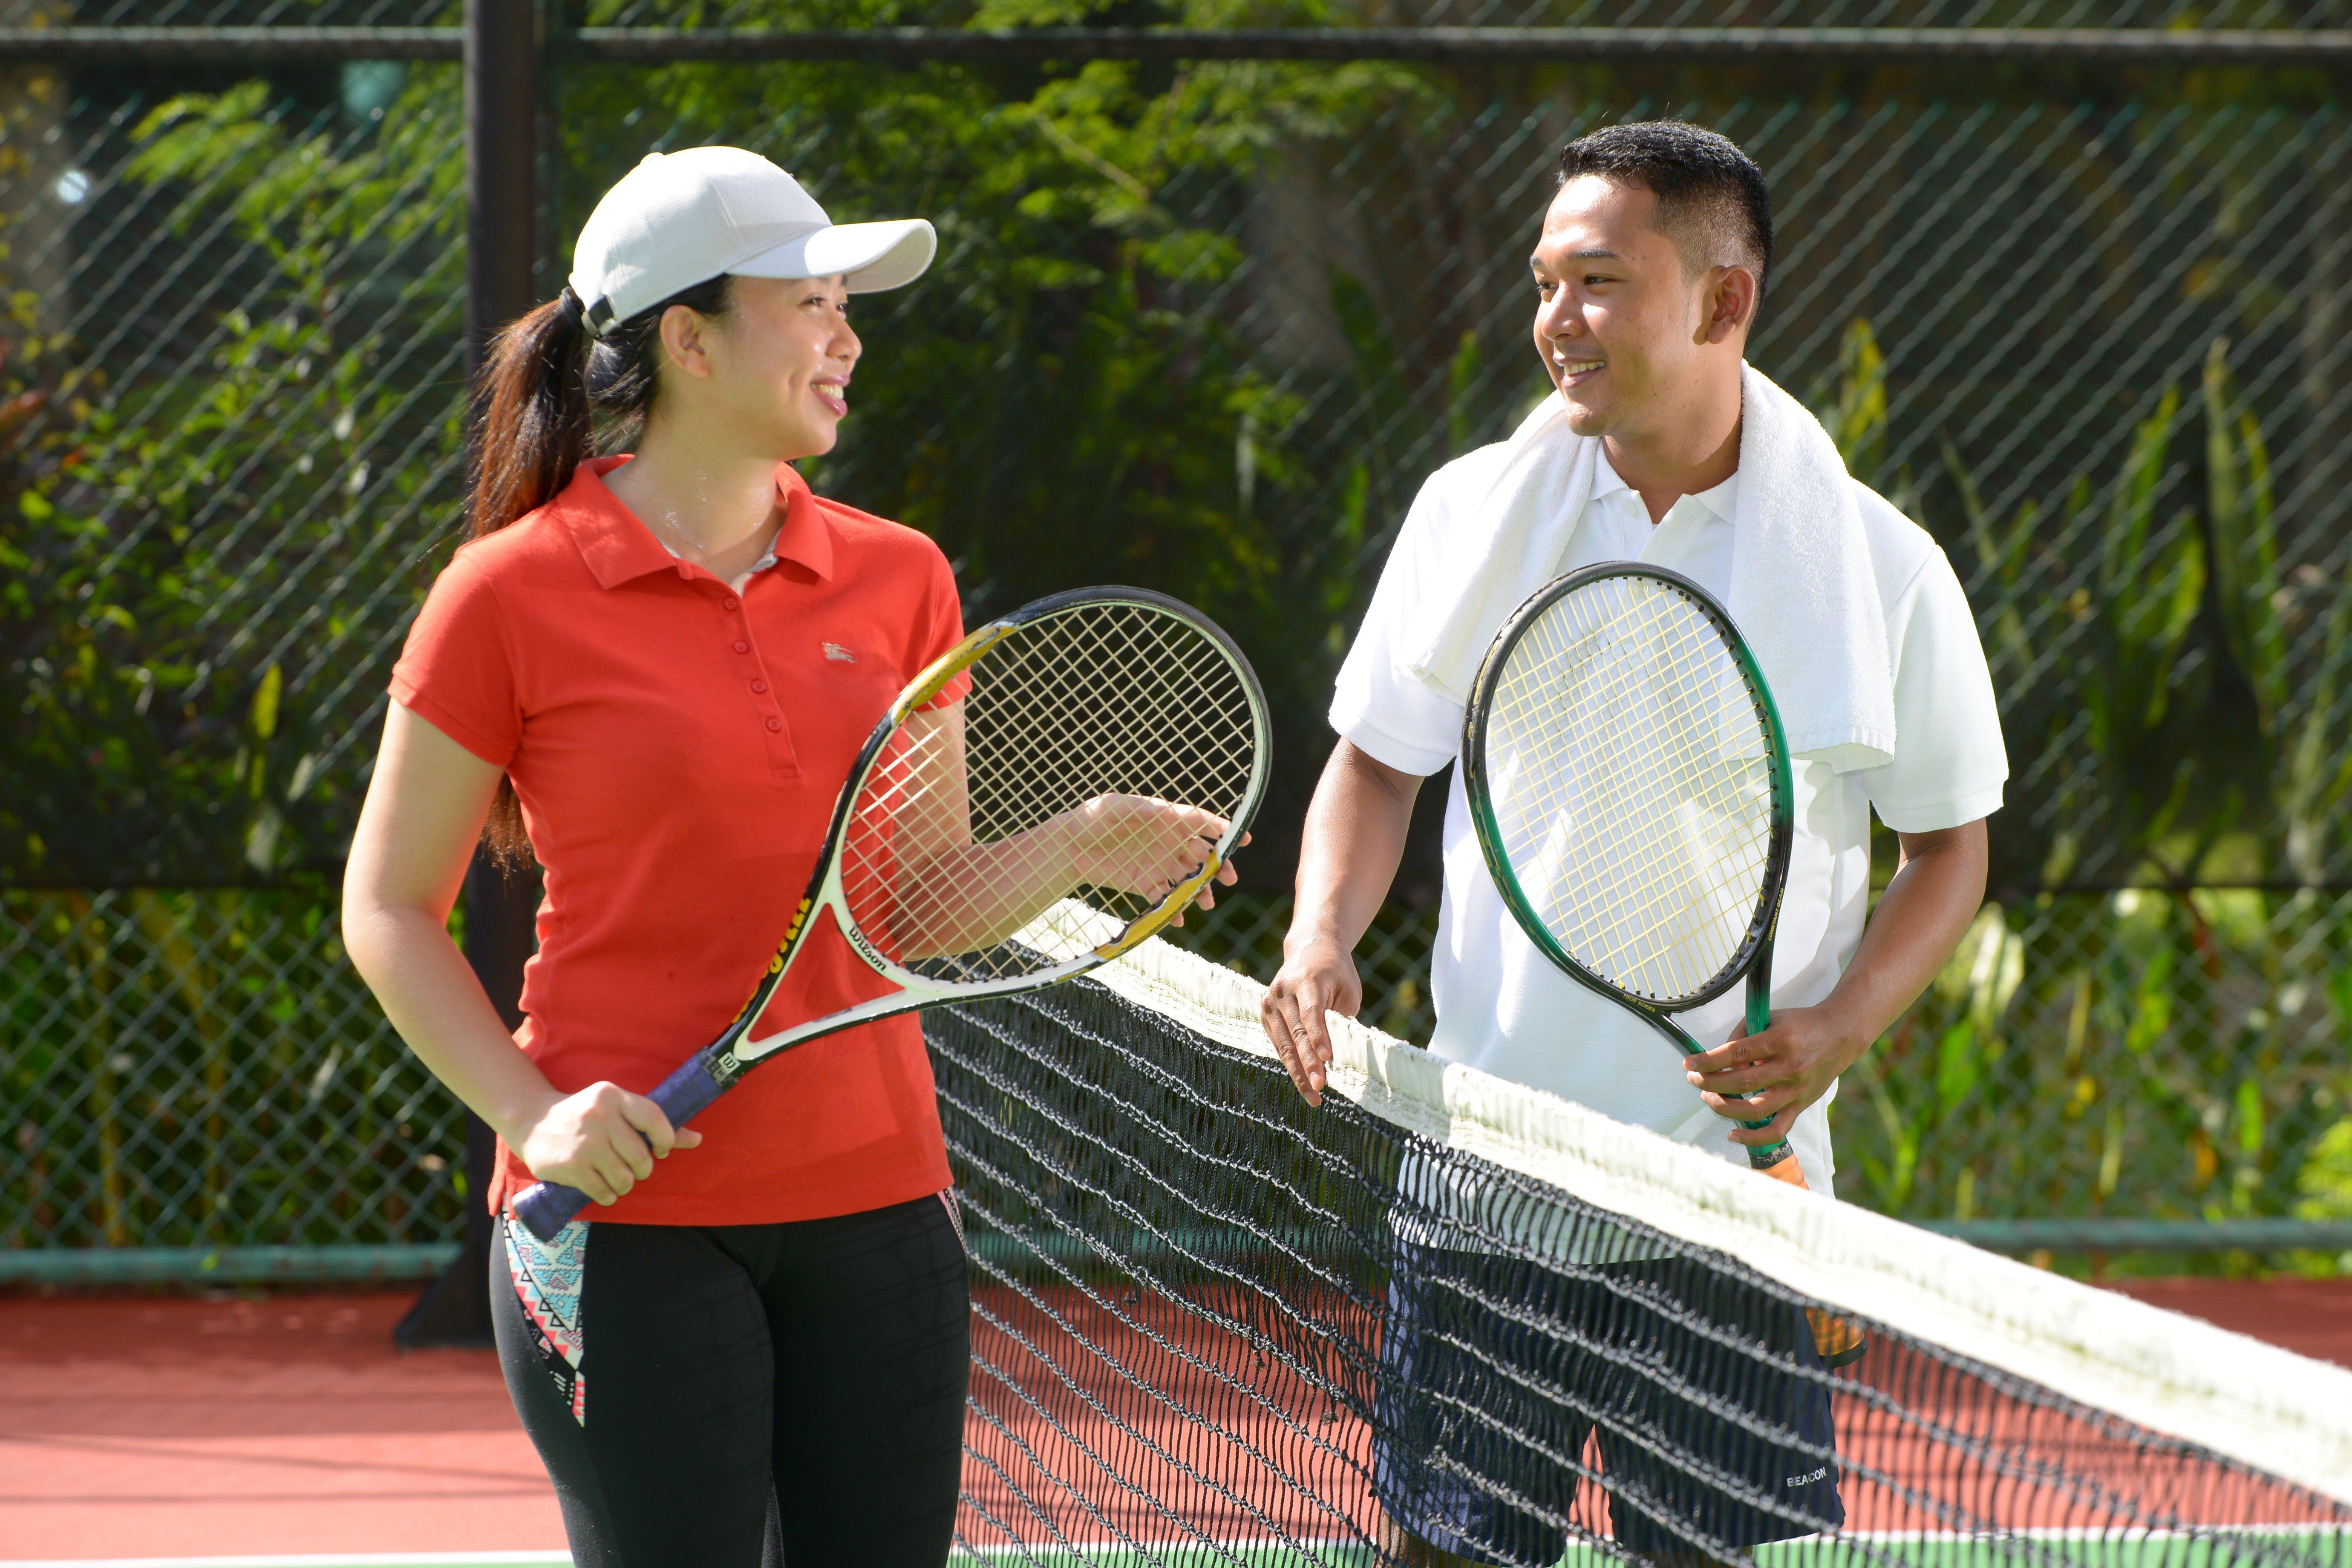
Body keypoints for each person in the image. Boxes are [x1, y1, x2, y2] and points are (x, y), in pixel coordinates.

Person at [341, 147, 1234, 1568]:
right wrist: (534, 1116)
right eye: (809, 303)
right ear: (688, 341)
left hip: (880, 1211)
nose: (848, 336)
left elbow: (911, 905)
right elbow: (388, 908)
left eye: (846, 304)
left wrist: (1081, 847)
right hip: (627, 1222)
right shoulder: (506, 592)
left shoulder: (902, 577)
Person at [1258, 122, 2006, 1566]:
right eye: (1544, 282)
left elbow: (1950, 849)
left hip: (1729, 1208)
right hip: (1483, 1179)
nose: (1555, 320)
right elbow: (1375, 762)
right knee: (1443, 1555)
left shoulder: (1884, 566)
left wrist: (1840, 1027)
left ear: (1725, 303)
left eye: (1598, 281)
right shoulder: (1471, 515)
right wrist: (1318, 938)